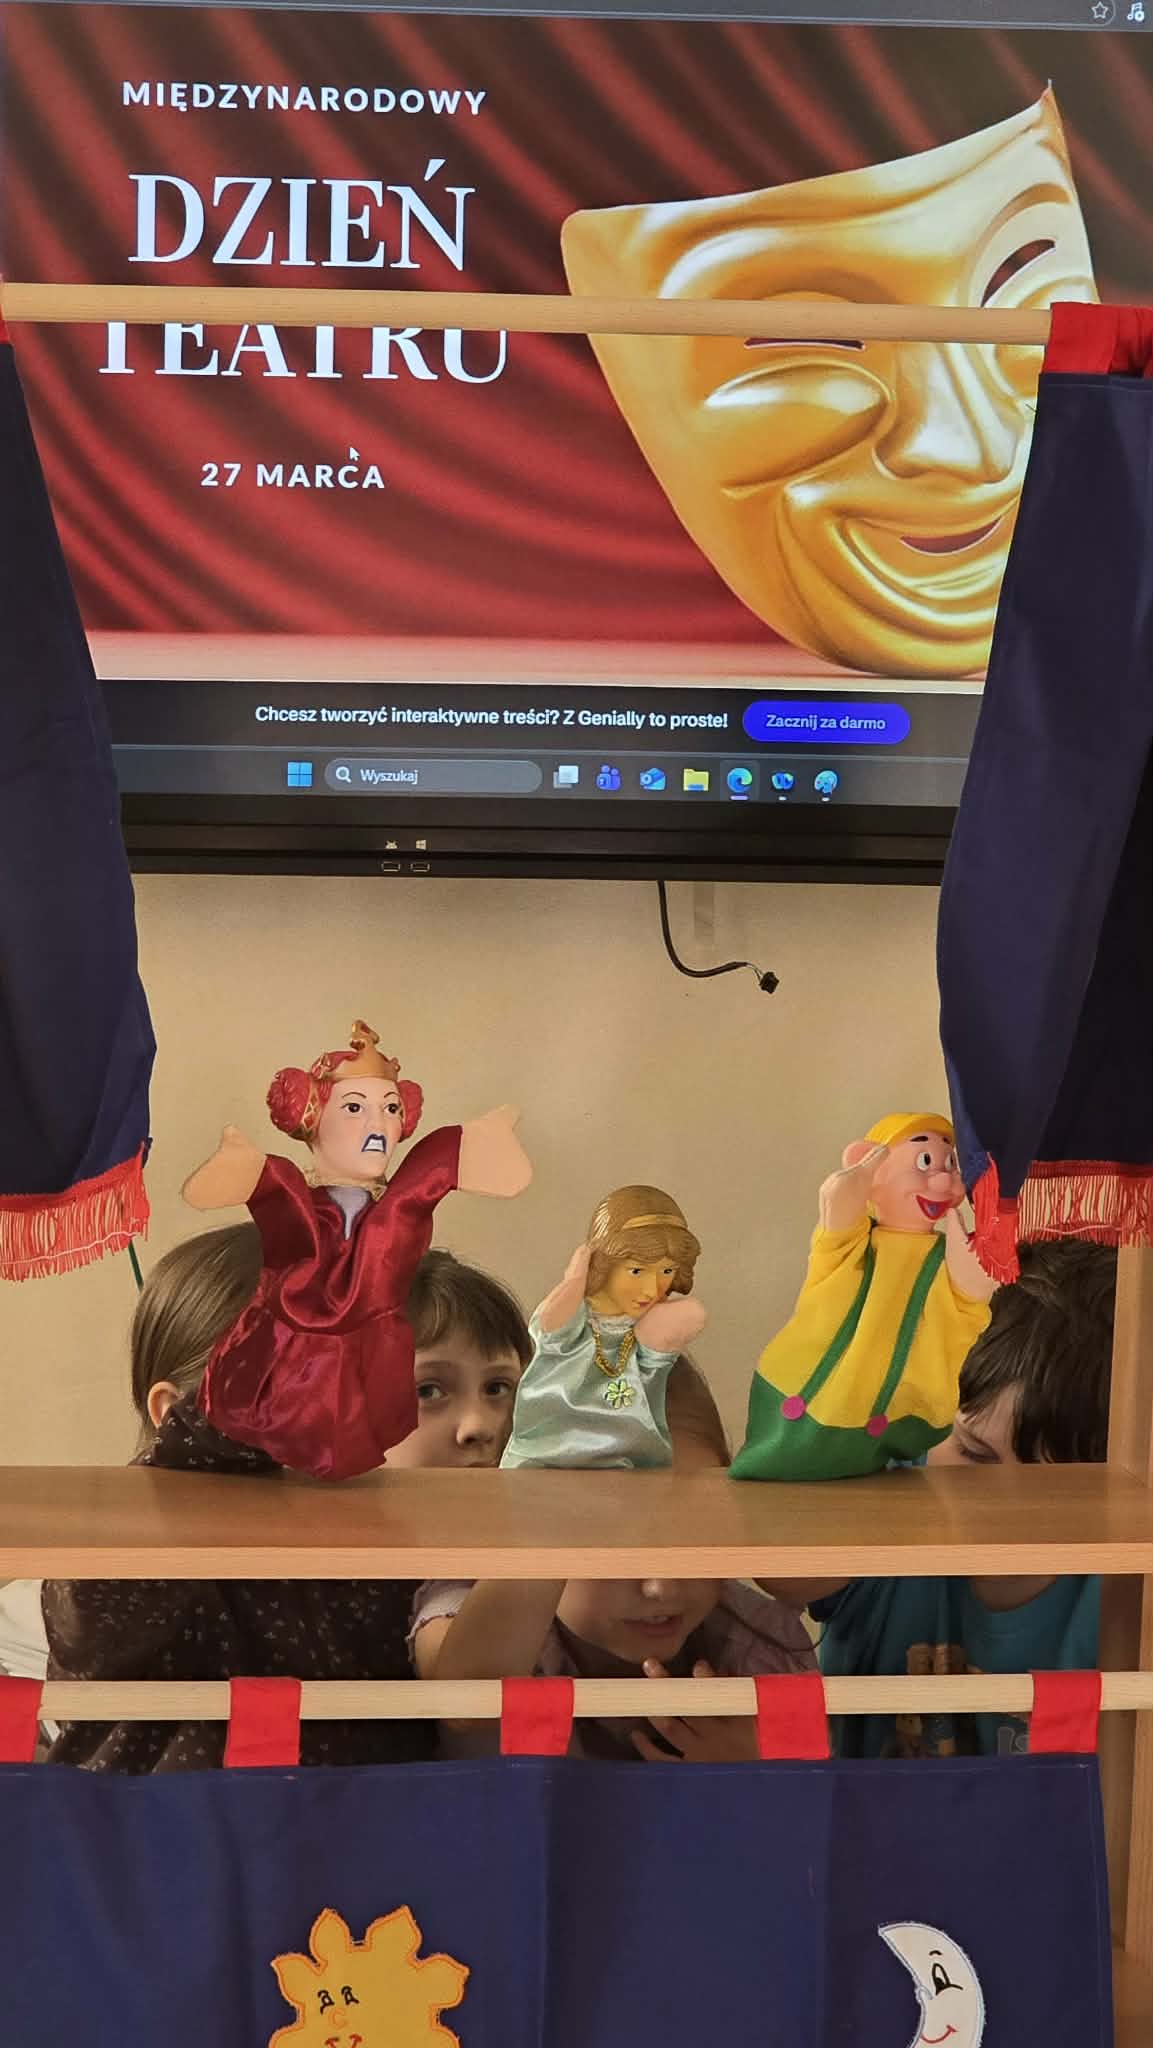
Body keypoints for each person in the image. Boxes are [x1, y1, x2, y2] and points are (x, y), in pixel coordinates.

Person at [42, 1230, 531, 1772]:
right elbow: (86, 1611)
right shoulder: (147, 1551)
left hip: (354, 1818)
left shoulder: (401, 1552)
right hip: (157, 1818)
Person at [759, 1240, 1116, 1758]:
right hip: (867, 1812)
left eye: (1051, 1486)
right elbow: (777, 1572)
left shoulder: (1120, 1588)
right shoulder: (893, 1503)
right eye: (974, 1454)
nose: (1001, 1506)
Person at [412, 1363, 816, 1761]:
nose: (660, 1587)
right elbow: (467, 1708)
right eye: (610, 1536)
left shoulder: (762, 1643)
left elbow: (818, 1795)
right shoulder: (471, 1608)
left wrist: (754, 1771)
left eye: (690, 1526)